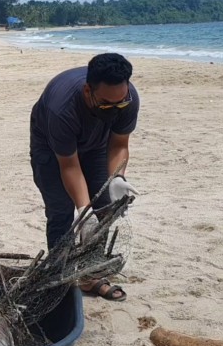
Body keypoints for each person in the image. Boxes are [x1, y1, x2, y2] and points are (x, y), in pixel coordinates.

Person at [29, 53, 140, 301]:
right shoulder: (62, 108)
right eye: (106, 105)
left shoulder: (127, 99)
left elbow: (119, 144)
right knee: (62, 211)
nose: (114, 111)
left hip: (96, 146)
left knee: (103, 208)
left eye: (119, 105)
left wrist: (117, 178)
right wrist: (83, 208)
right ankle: (59, 278)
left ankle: (91, 278)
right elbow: (68, 165)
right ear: (88, 90)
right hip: (52, 148)